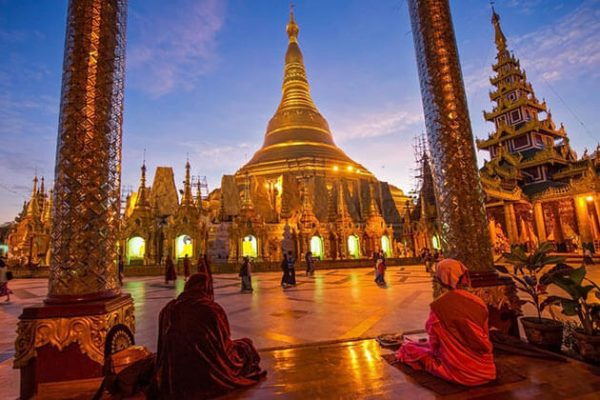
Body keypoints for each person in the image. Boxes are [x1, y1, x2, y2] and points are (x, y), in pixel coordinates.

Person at [156, 265, 266, 399]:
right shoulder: (211, 309)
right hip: (207, 367)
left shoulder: (169, 308)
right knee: (246, 346)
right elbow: (223, 342)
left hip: (175, 368)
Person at [396, 258, 496, 386]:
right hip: (486, 369)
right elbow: (484, 336)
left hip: (460, 373)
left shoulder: (439, 306)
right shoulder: (478, 302)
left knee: (408, 349)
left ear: (441, 279)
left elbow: (434, 344)